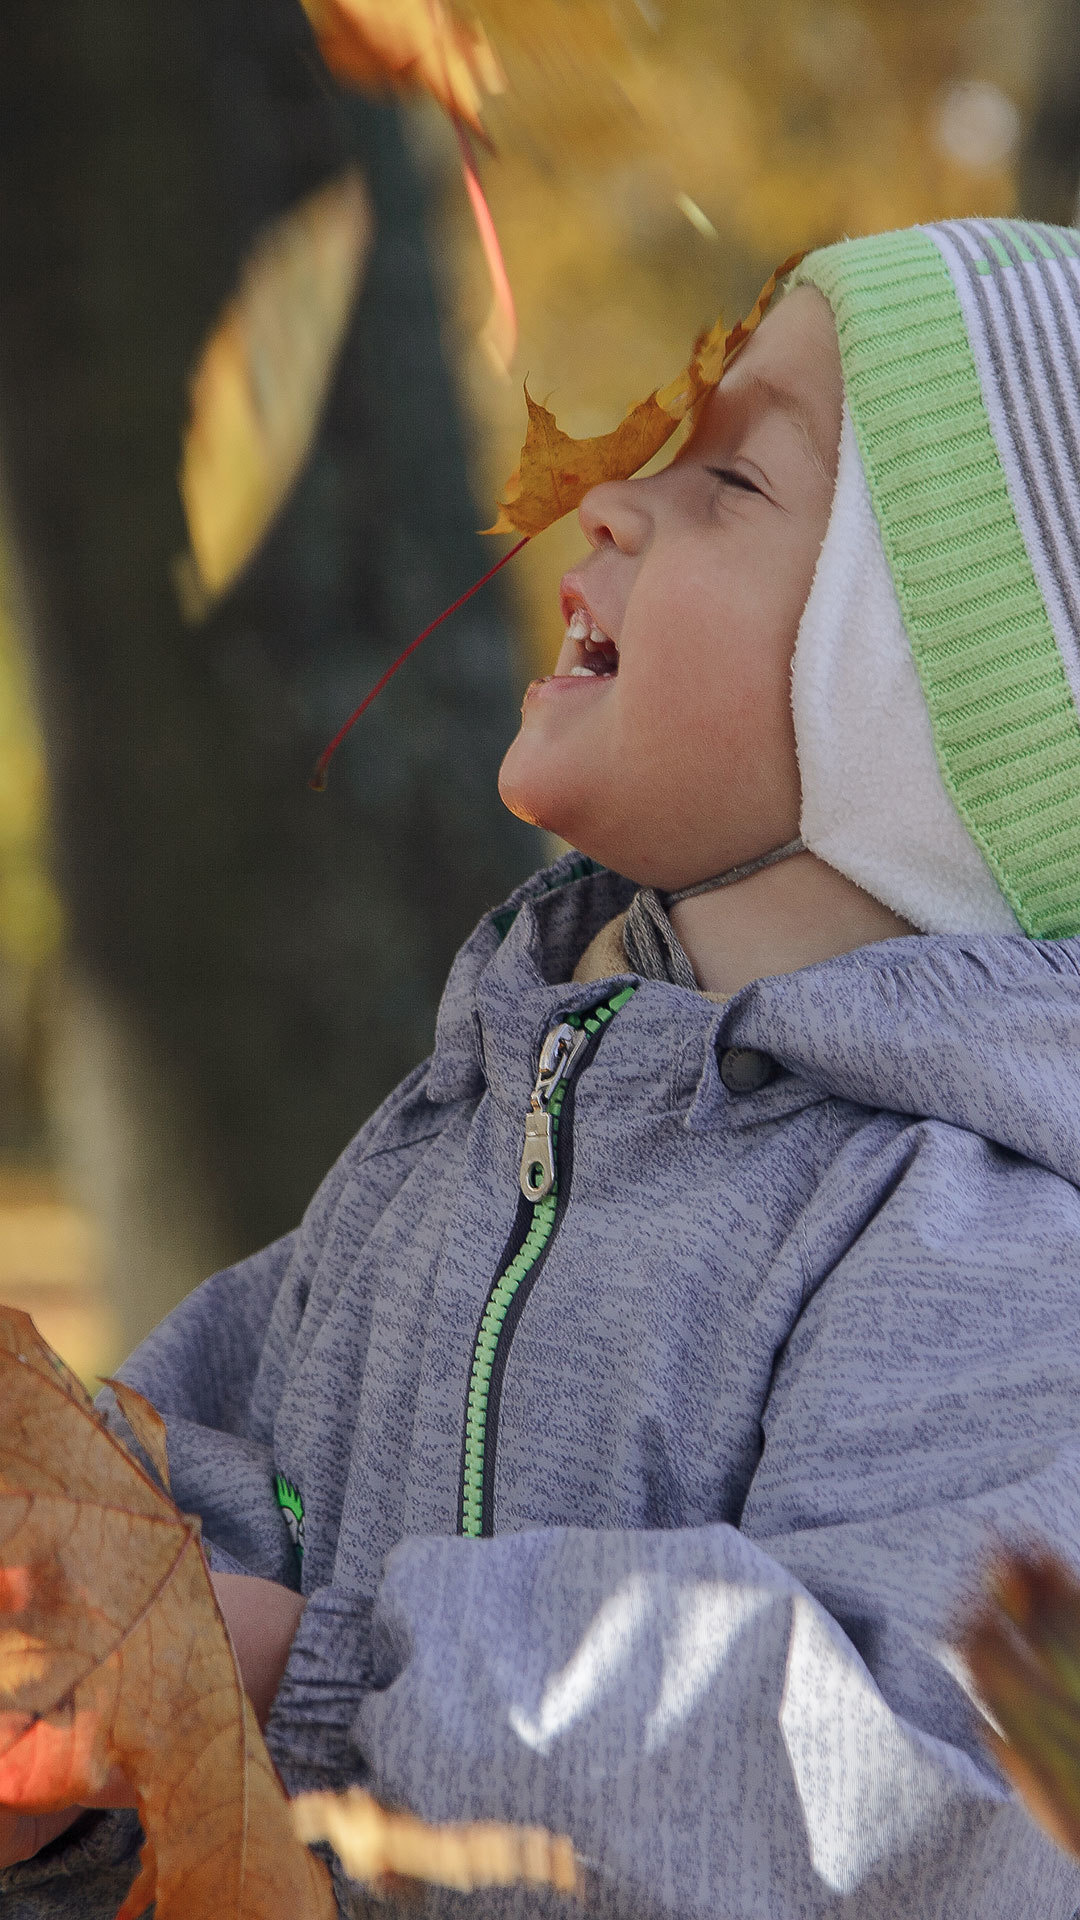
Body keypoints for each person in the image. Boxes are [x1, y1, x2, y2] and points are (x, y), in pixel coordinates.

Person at [7, 215, 1080, 1918]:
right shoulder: (461, 1136)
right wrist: (71, 1764)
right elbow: (174, 1545)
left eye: (734, 486)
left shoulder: (982, 1238)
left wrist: (322, 1679)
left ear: (925, 703)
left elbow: (908, 1789)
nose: (614, 498)